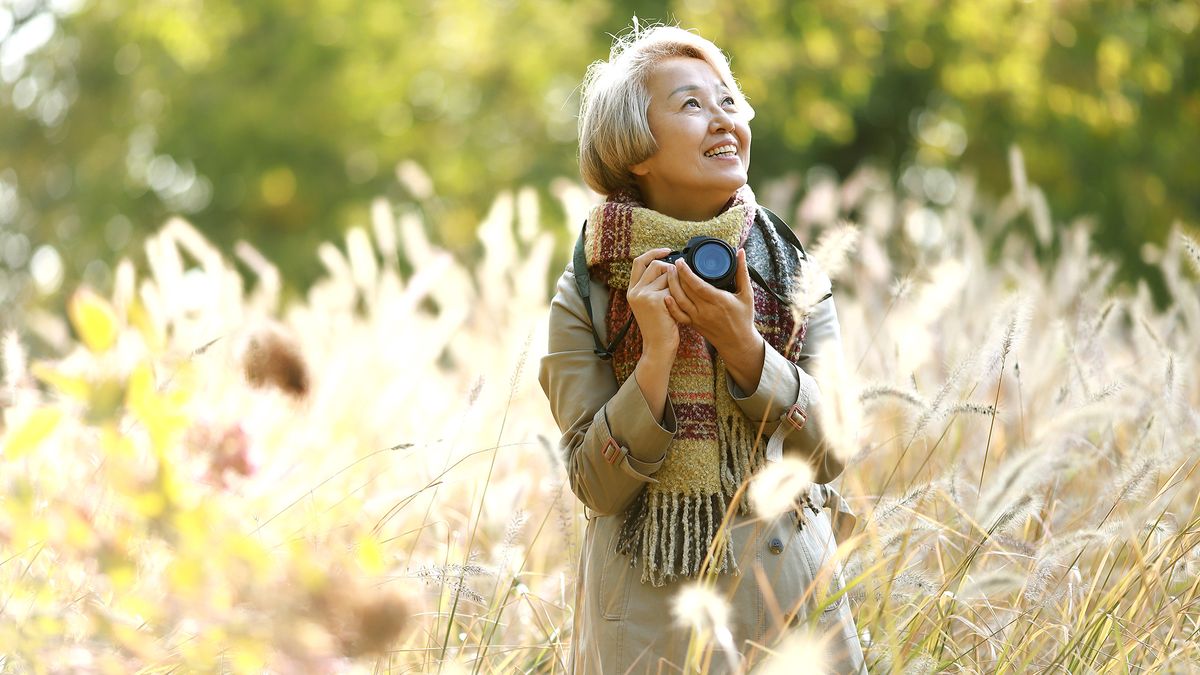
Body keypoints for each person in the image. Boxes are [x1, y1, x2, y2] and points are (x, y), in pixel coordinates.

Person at [538, 25, 866, 674]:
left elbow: (833, 448)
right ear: (635, 148)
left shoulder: (792, 268)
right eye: (691, 104)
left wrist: (746, 349)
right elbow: (593, 484)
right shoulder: (592, 284)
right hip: (646, 624)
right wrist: (655, 359)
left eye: (727, 101)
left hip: (793, 610)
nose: (723, 119)